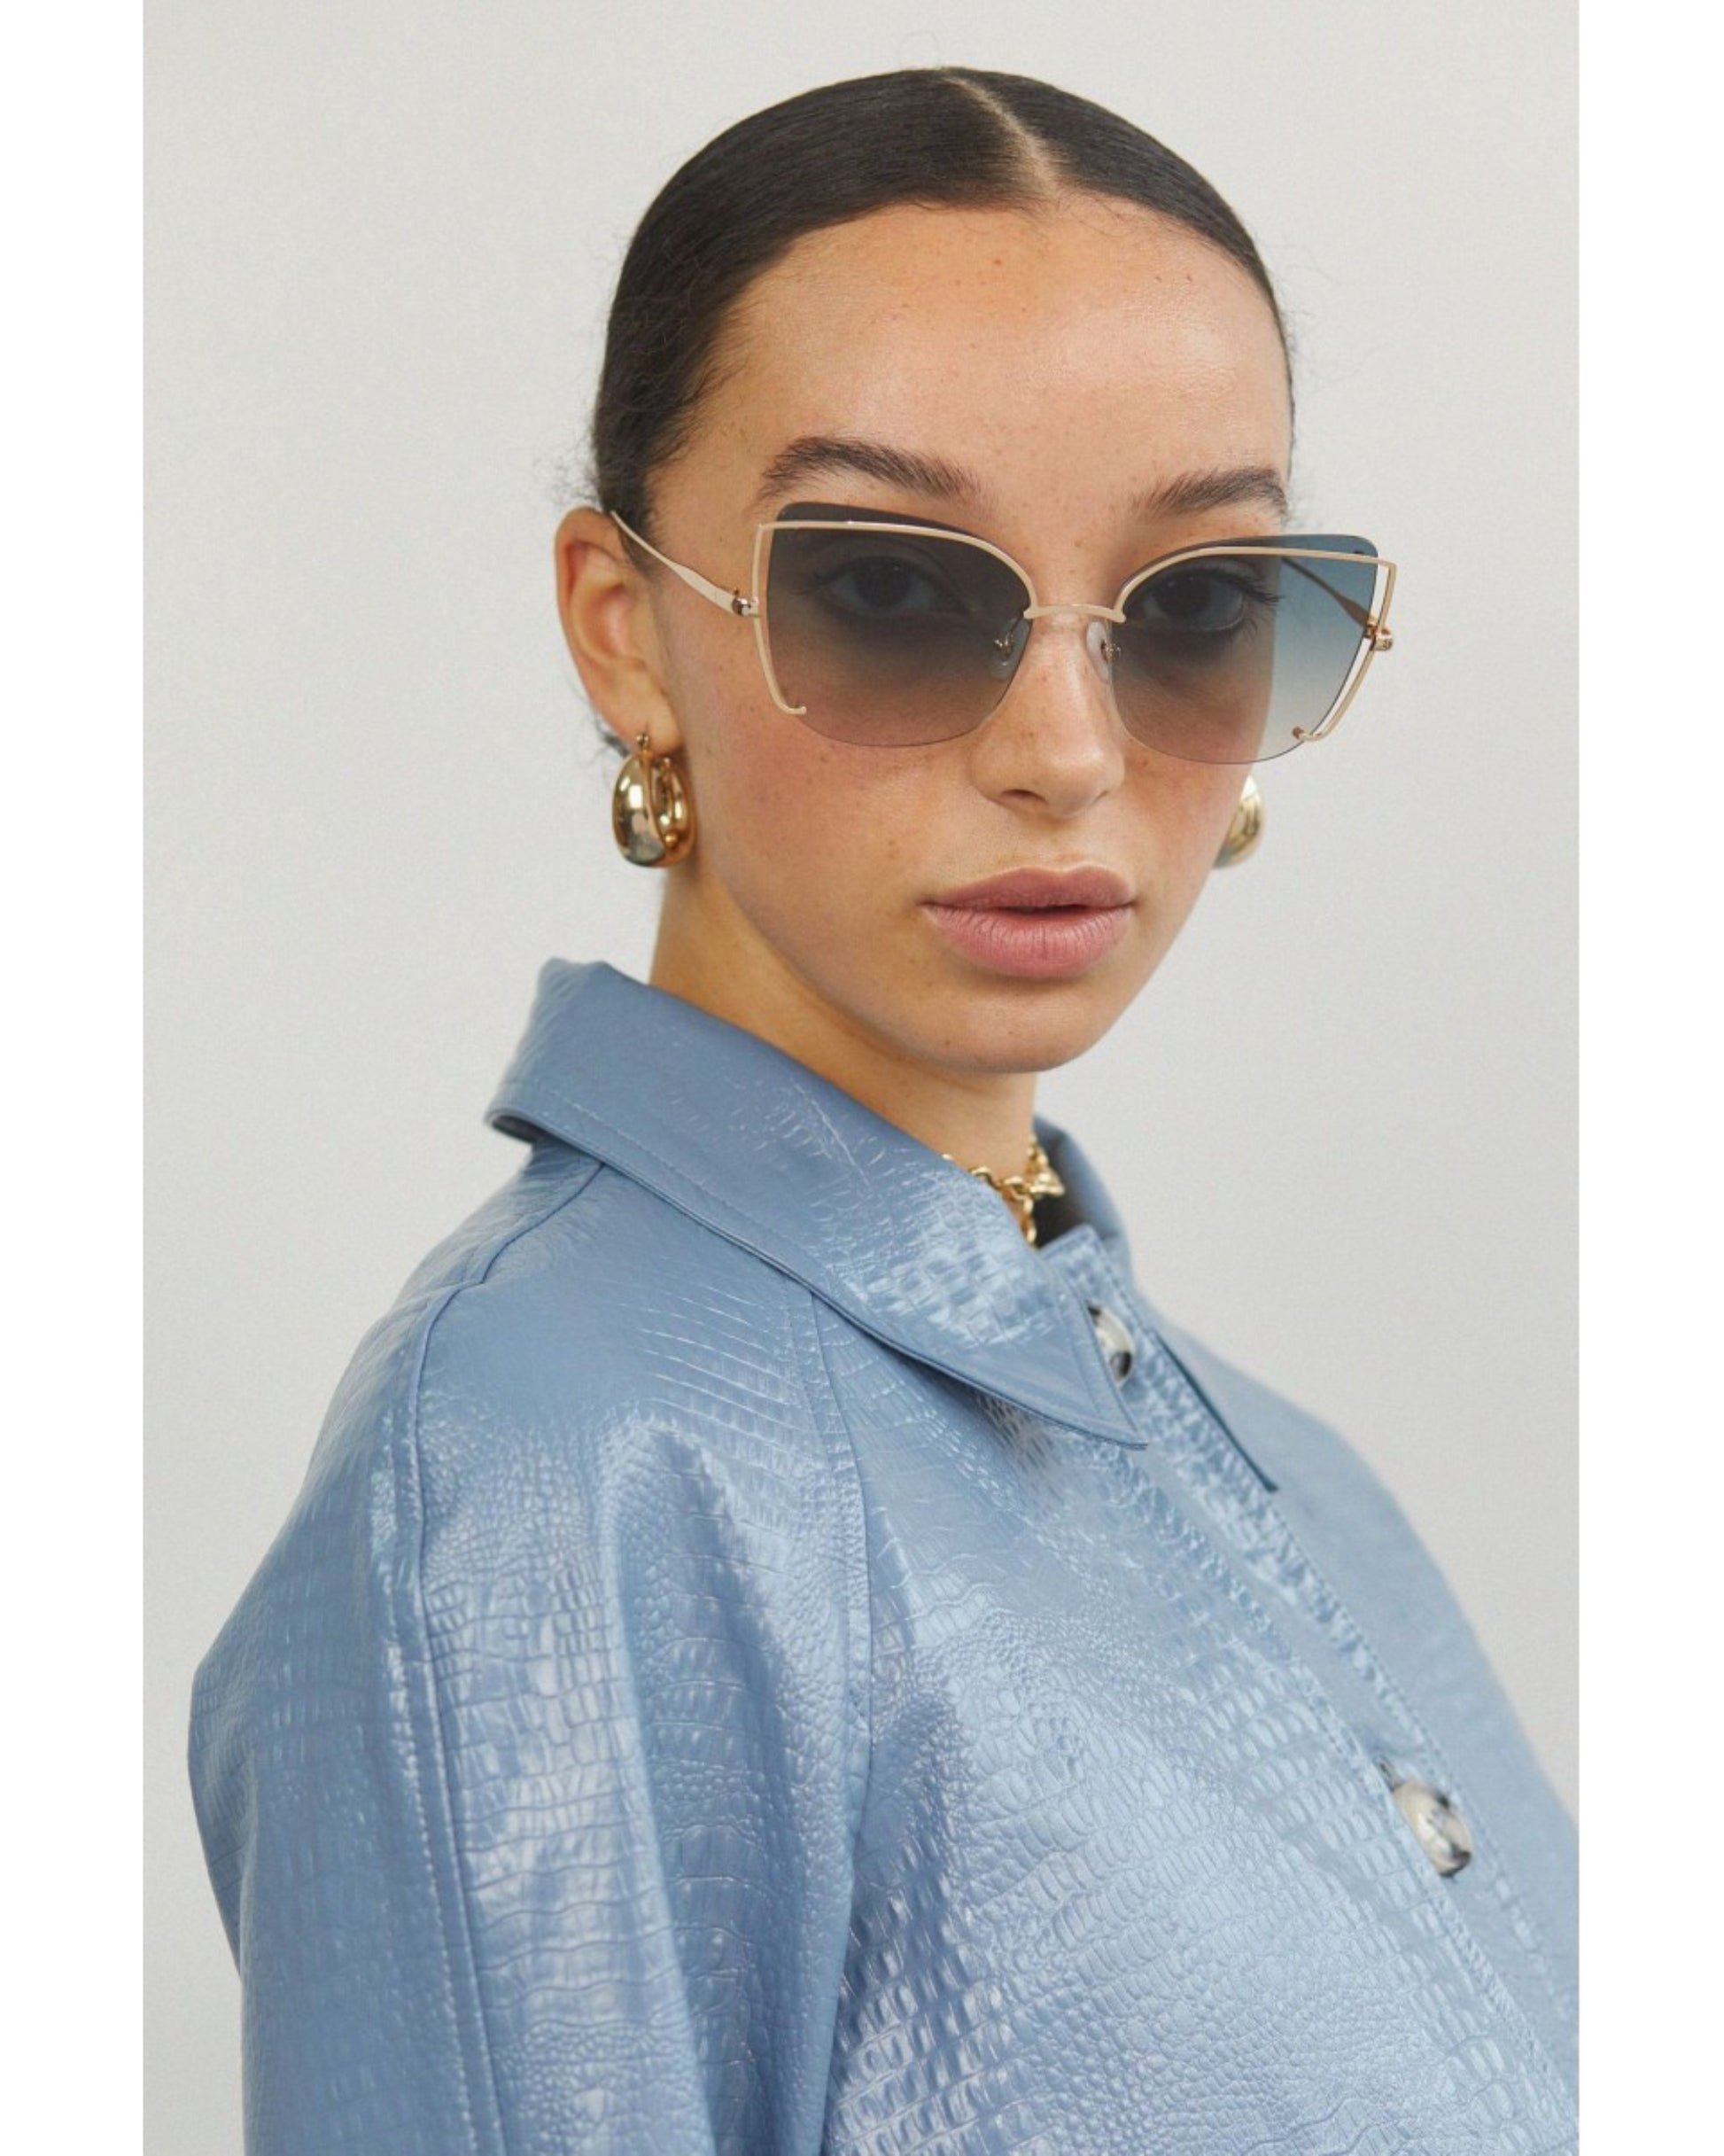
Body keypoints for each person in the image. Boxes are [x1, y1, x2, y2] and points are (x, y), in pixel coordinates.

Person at [187, 67, 1579, 2154]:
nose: (1066, 750)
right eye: (896, 590)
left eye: (1198, 604)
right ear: (625, 634)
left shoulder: (1294, 1479)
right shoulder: (543, 1472)